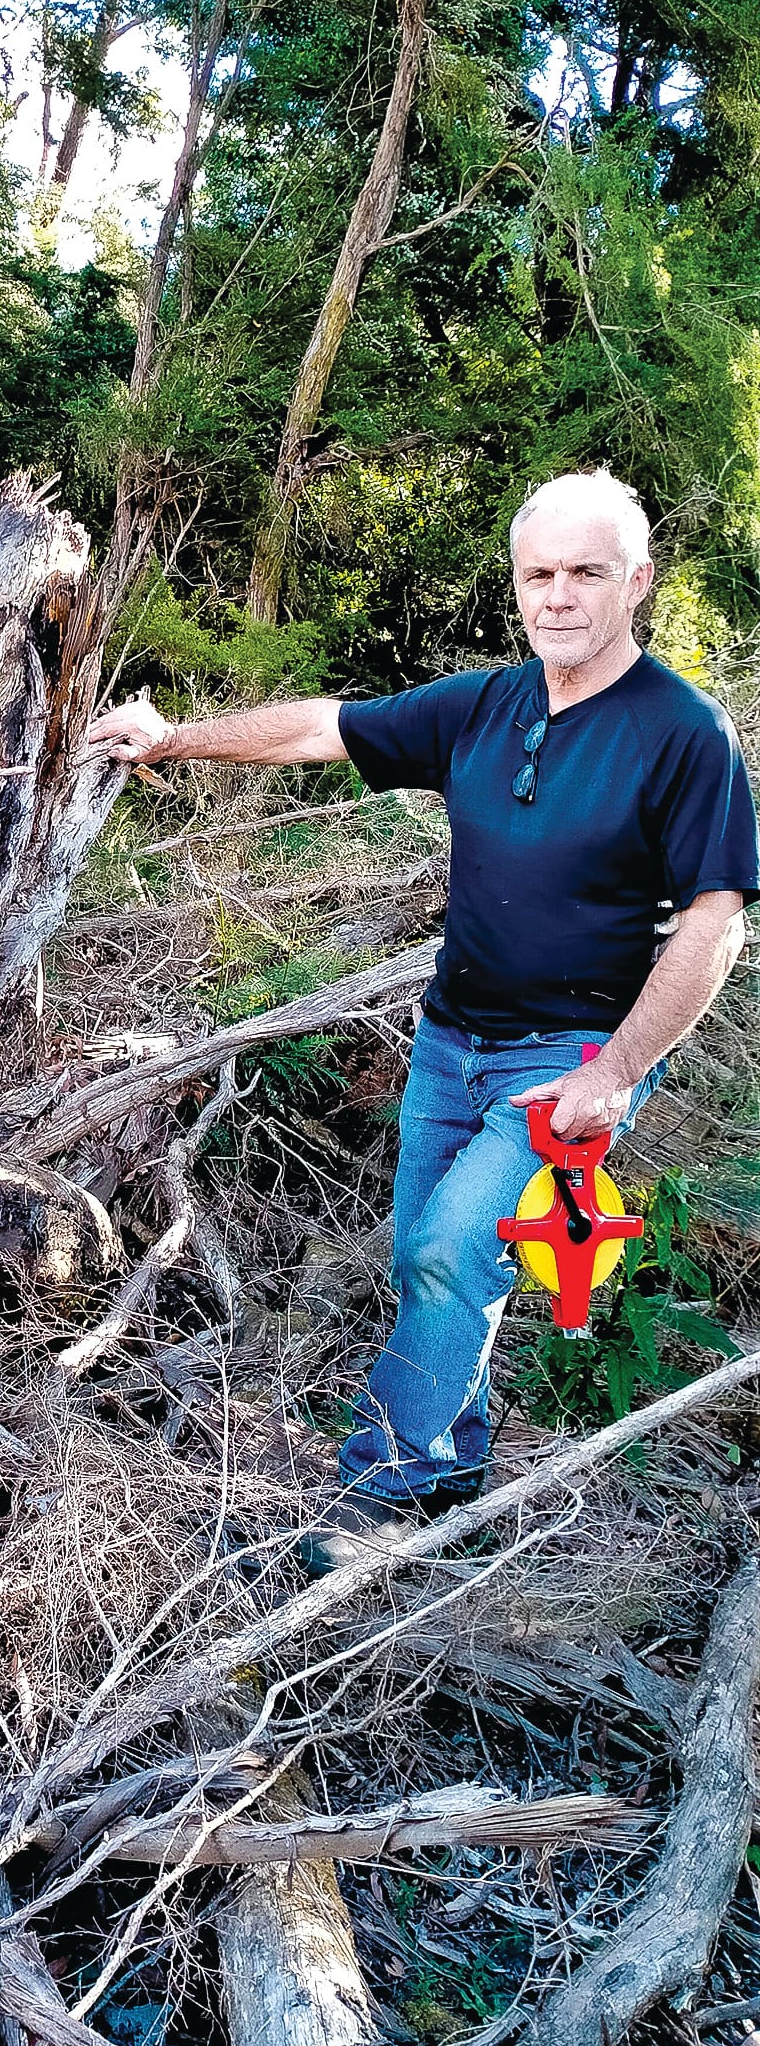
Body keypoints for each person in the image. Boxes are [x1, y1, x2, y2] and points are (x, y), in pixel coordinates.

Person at [83, 470, 759, 1568]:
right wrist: (173, 738)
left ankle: (374, 1497)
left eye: (584, 572)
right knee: (423, 1257)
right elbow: (321, 729)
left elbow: (714, 921)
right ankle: (449, 1466)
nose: (556, 596)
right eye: (537, 573)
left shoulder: (680, 733)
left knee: (455, 1248)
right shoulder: (482, 706)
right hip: (450, 1045)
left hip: (567, 1063)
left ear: (633, 582)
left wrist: (616, 1073)